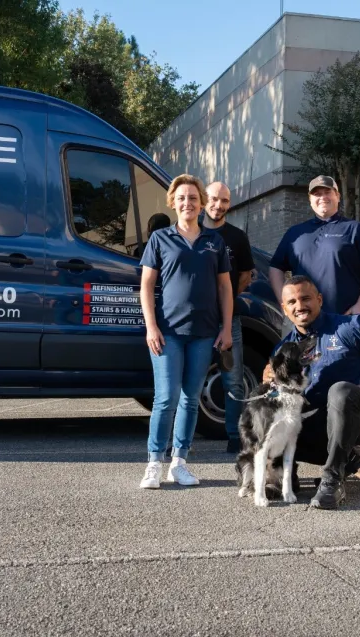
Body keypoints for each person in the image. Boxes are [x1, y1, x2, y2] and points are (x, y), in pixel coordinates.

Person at [269, 275, 360, 509]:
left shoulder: (350, 326)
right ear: (284, 310)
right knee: (269, 400)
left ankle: (332, 480)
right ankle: (285, 470)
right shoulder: (284, 348)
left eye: (305, 298)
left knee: (340, 391)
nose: (300, 306)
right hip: (317, 426)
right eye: (292, 302)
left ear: (320, 300)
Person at [138, 174, 234, 489]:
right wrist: (151, 326)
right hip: (167, 332)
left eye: (193, 198)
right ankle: (154, 462)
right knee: (166, 398)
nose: (187, 203)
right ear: (173, 202)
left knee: (191, 399)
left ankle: (179, 462)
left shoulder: (214, 242)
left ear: (200, 203)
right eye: (182, 197)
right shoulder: (160, 239)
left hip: (204, 332)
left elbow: (225, 287)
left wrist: (227, 328)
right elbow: (146, 286)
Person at [269, 176, 360, 316]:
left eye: (327, 192)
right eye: (317, 194)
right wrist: (286, 305)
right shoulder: (295, 233)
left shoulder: (354, 229)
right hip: (303, 319)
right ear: (310, 199)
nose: (322, 197)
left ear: (337, 196)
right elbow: (275, 268)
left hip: (345, 318)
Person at [201, 181, 256, 453]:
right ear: (203, 200)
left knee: (233, 379)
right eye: (213, 199)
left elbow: (245, 275)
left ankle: (235, 436)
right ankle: (180, 442)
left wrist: (228, 300)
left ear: (229, 204)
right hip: (196, 321)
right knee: (189, 378)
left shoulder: (237, 237)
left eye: (223, 200)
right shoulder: (192, 232)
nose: (218, 205)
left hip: (228, 320)